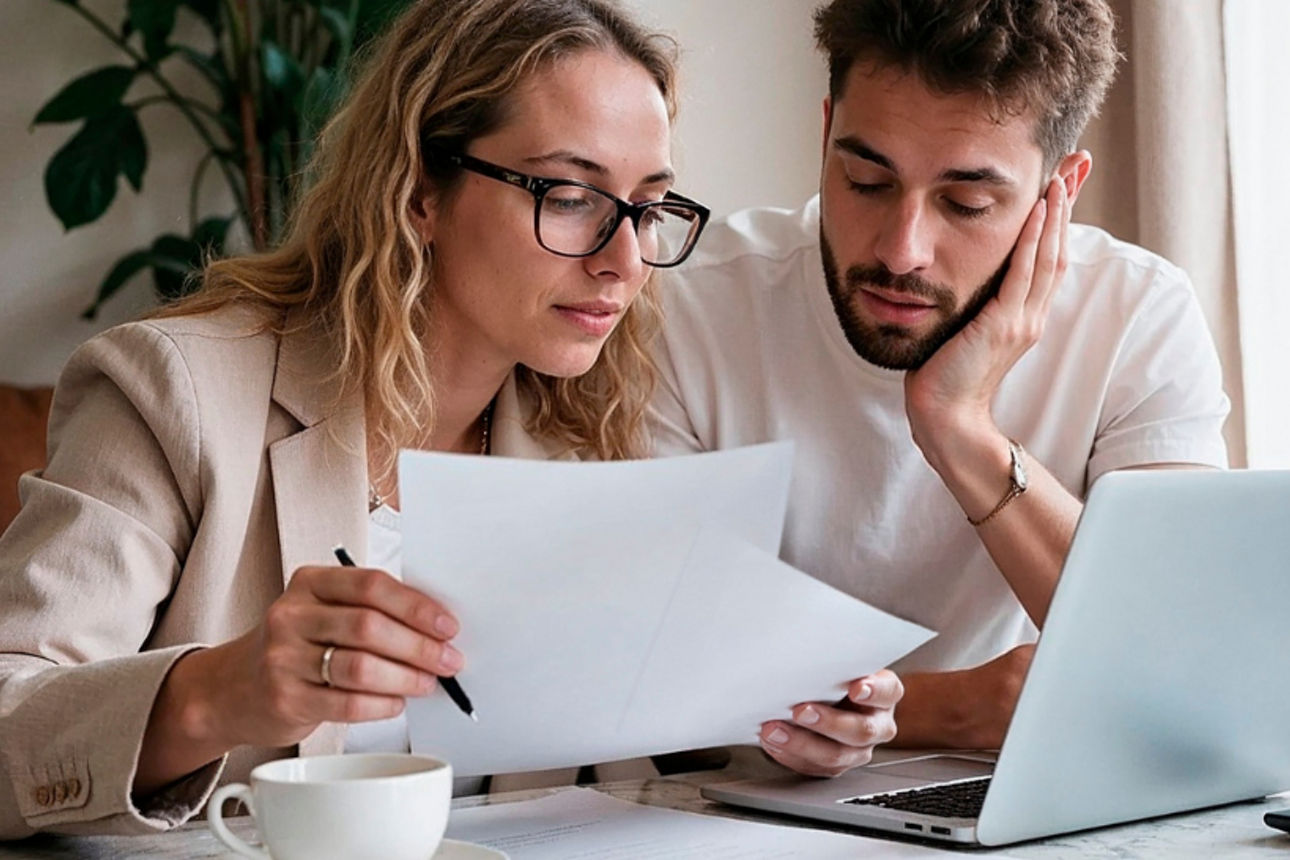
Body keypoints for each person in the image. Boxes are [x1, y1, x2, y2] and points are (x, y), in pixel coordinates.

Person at [0, 0, 765, 839]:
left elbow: (625, 766)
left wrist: (776, 716)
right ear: (418, 193)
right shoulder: (173, 391)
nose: (623, 261)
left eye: (647, 207)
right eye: (574, 196)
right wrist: (217, 693)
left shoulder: (585, 448)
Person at [650, 0, 1229, 779]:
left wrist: (959, 426)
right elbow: (654, 685)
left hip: (1023, 795)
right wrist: (942, 708)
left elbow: (1186, 666)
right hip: (740, 808)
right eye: (865, 180)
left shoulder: (1136, 314)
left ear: (1061, 187)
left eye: (967, 203)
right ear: (825, 135)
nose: (901, 250)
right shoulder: (692, 304)